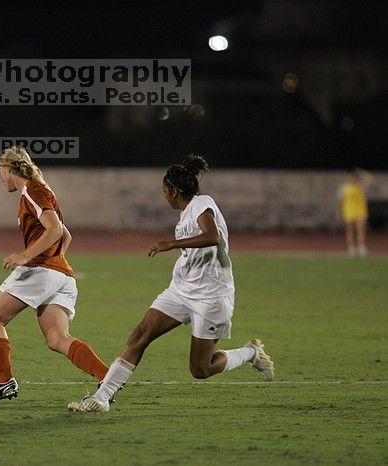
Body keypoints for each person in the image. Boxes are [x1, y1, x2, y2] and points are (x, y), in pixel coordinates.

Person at [68, 154, 275, 412]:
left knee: (200, 369)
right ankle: (102, 398)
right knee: (139, 336)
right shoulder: (186, 213)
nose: (163, 196)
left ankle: (250, 353)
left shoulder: (202, 204)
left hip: (211, 296)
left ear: (174, 191)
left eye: (164, 191)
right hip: (180, 290)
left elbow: (212, 236)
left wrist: (171, 244)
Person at [0, 146, 109, 403]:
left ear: (8, 169)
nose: (0, 178)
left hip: (40, 270)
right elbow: (65, 234)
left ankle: (4, 383)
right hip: (62, 275)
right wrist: (55, 264)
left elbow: (55, 229)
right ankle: (107, 377)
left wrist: (26, 257)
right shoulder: (41, 189)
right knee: (57, 338)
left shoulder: (33, 191)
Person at [337, 168, 374, 257]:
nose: (351, 179)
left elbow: (370, 178)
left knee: (360, 229)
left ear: (356, 178)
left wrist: (360, 172)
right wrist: (340, 212)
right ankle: (351, 248)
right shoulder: (343, 188)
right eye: (349, 178)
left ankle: (361, 247)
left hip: (360, 210)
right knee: (350, 230)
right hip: (349, 210)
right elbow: (340, 201)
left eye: (353, 178)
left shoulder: (361, 186)